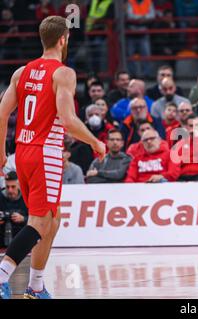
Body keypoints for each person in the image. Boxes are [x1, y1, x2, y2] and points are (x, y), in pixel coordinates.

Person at [0, 16, 105, 299]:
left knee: (53, 219)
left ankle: (36, 286)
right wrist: (96, 142)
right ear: (63, 40)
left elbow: (1, 112)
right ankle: (2, 275)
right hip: (45, 153)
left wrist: (0, 153)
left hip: (21, 152)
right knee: (41, 222)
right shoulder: (63, 73)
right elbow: (68, 121)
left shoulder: (22, 72)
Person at [0, 172, 28, 248]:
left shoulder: (26, 198)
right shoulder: (0, 196)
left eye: (13, 187)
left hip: (22, 243)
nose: (10, 190)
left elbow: (37, 221)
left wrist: (23, 219)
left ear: (19, 185)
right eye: (7, 187)